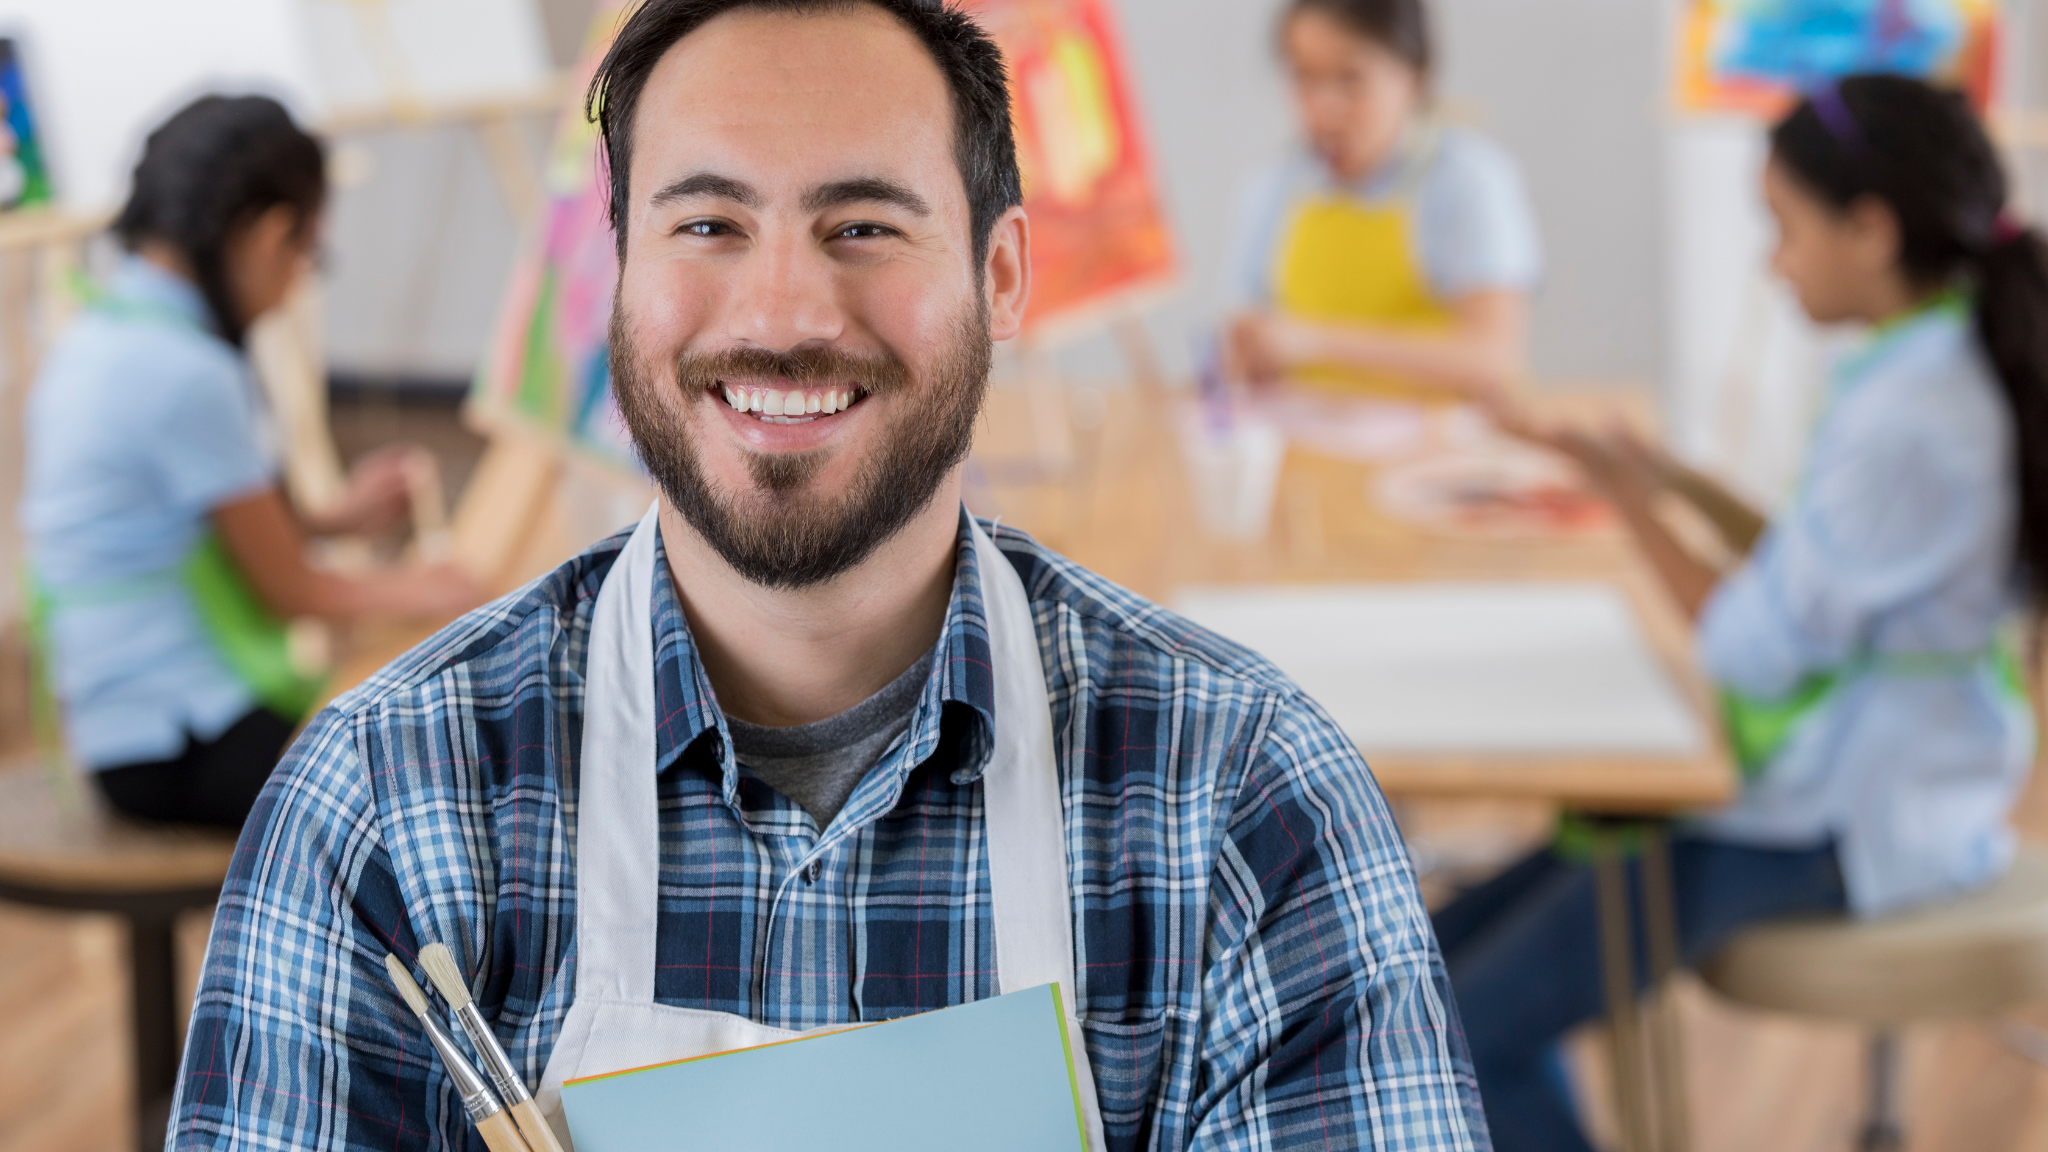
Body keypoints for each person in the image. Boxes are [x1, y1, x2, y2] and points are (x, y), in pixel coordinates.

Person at [169, 3, 1490, 1150]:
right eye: (706, 223)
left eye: (862, 223)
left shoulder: (1243, 801)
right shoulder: (388, 809)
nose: (786, 313)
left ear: (1003, 276)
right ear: (618, 275)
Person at [1444, 75, 2043, 1151]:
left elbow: (1752, 652)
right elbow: (1815, 568)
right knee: (1428, 965)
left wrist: (1628, 503)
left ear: (1868, 229)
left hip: (1840, 817)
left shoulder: (1910, 416)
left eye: (1782, 228)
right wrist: (1660, 475)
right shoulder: (1925, 361)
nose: (1772, 263)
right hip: (1841, 775)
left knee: (1443, 1037)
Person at [19, 95, 482, 830]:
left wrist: (336, 517)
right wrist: (437, 589)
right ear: (271, 236)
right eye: (310, 253)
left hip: (113, 732)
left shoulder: (98, 335)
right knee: (448, 750)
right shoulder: (185, 369)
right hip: (181, 747)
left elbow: (191, 523)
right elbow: (291, 591)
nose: (300, 276)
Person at [1223, 0, 1540, 405]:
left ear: (1414, 77)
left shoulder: (1467, 180)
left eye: (1351, 79)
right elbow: (1243, 335)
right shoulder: (1272, 188)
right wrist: (1248, 354)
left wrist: (1316, 341)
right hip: (1306, 447)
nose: (1324, 108)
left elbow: (1494, 356)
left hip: (1441, 449)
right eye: (1303, 78)